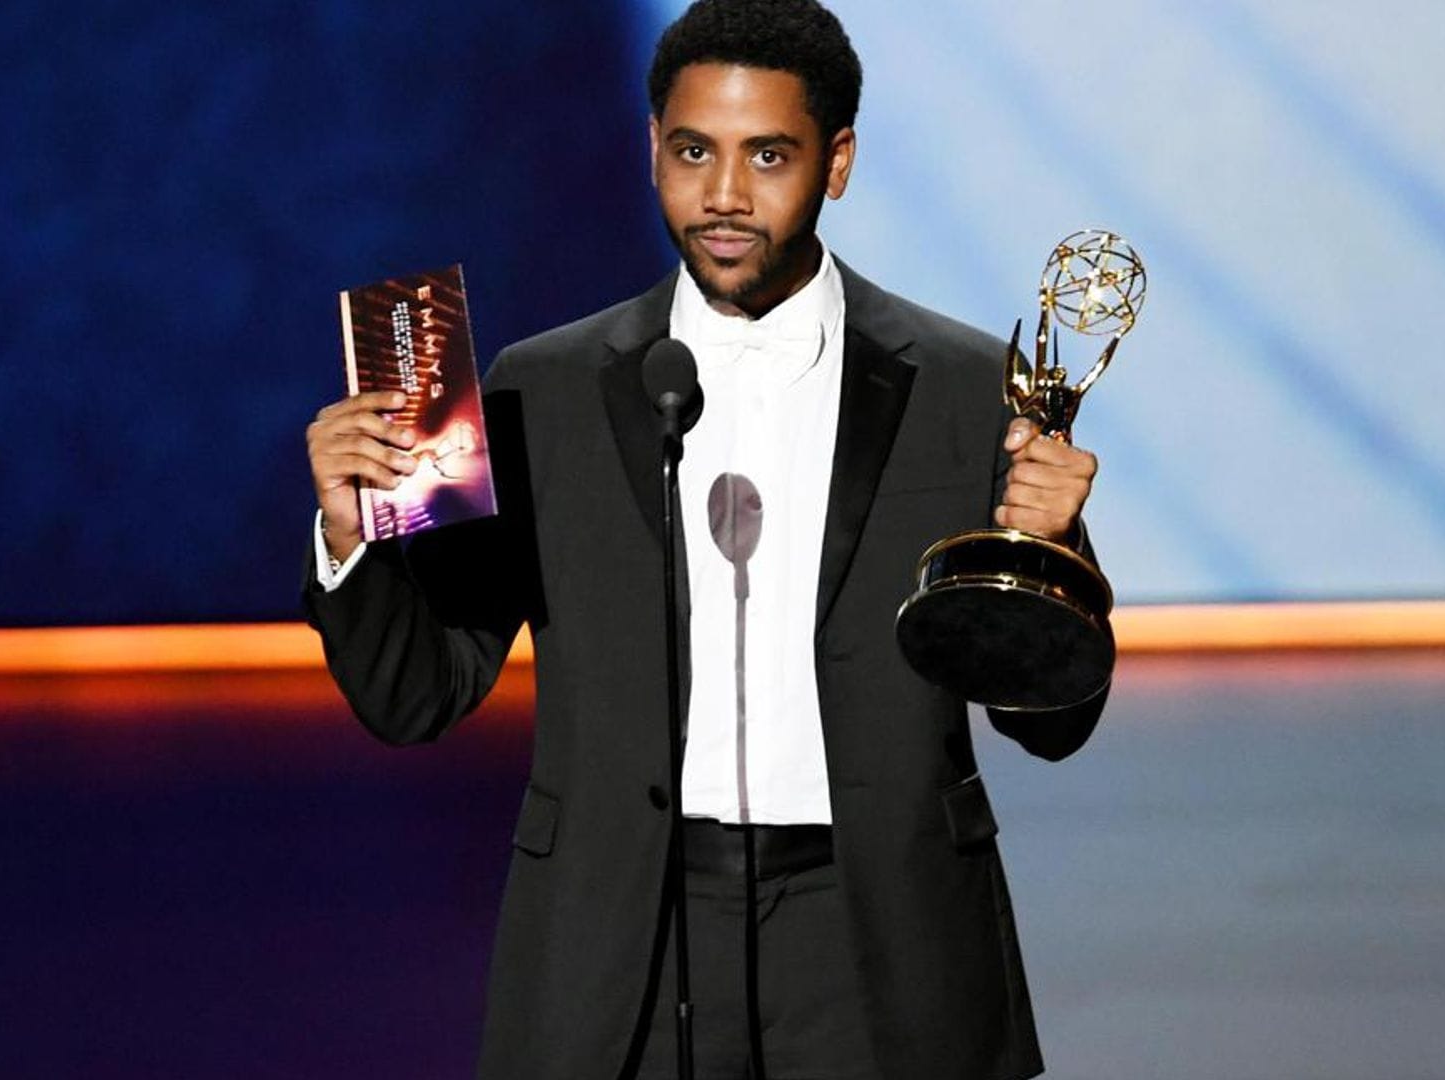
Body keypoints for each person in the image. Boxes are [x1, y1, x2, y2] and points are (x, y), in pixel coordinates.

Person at [303, 2, 1107, 1076]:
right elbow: (422, 692)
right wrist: (350, 539)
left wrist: (1049, 561)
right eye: (693, 151)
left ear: (838, 162)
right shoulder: (541, 391)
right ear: (651, 151)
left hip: (876, 932)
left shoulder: (964, 388)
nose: (724, 196)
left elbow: (1050, 725)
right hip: (624, 930)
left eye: (767, 155)